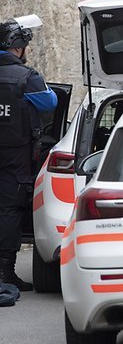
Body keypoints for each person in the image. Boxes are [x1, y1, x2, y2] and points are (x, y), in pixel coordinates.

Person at [0, 17, 58, 291]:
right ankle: (5, 272)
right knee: (10, 210)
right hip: (15, 155)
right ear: (19, 46)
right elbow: (51, 102)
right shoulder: (27, 77)